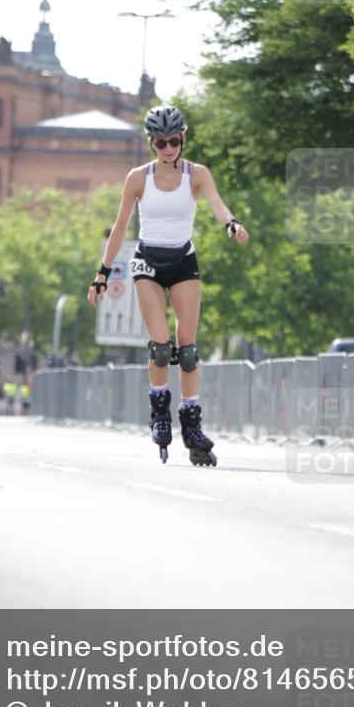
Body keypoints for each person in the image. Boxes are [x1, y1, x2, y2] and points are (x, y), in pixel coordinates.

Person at [86, 104, 249, 466]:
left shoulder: (197, 174)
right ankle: (159, 408)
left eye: (174, 140)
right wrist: (102, 274)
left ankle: (191, 423)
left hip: (182, 261)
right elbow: (119, 228)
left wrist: (231, 224)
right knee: (161, 347)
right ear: (151, 143)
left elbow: (218, 206)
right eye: (161, 143)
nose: (168, 148)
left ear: (183, 138)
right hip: (147, 262)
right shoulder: (137, 179)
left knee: (187, 349)